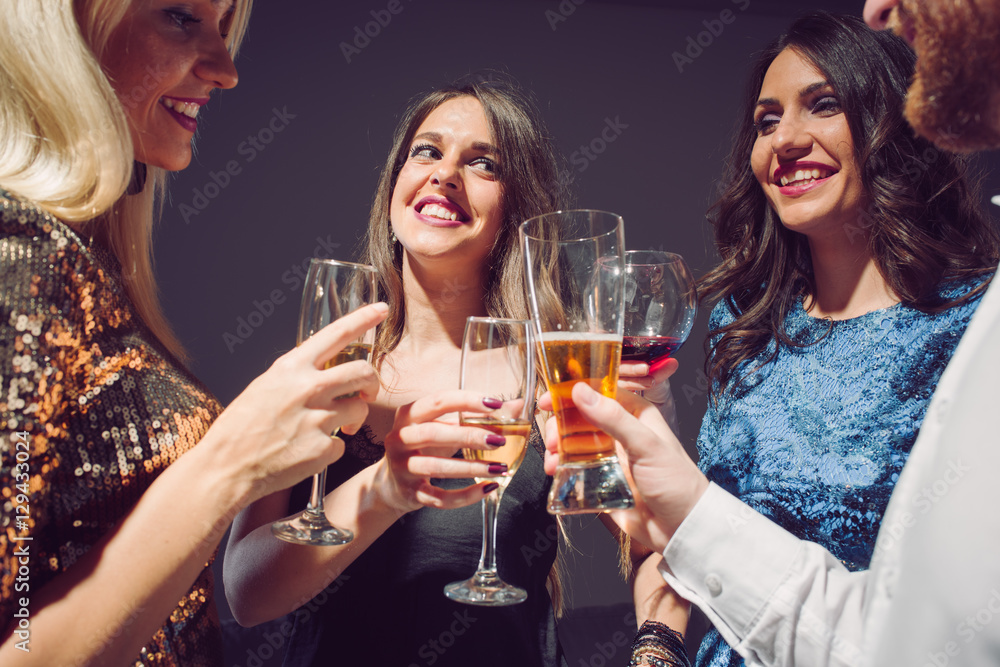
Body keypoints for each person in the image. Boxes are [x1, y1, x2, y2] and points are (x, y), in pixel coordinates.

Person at [542, 3, 1000, 666]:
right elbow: (695, 545)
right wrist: (656, 648)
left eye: (823, 105)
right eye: (766, 121)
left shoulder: (972, 327)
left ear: (887, 120)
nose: (785, 139)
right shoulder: (744, 323)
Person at [223, 77, 687, 666]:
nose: (445, 173)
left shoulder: (557, 377)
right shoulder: (321, 367)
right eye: (427, 151)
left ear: (513, 212)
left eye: (483, 163)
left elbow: (660, 542)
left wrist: (658, 652)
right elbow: (246, 594)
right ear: (394, 187)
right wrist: (385, 490)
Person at [0, 1, 386, 664]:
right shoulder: (20, 252)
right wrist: (234, 461)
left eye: (224, 26)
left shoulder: (86, 260)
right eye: (181, 16)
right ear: (68, 26)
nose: (226, 69)